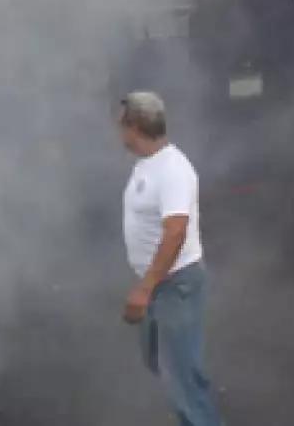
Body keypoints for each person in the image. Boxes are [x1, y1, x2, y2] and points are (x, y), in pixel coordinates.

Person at [117, 91, 223, 426]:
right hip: (160, 282)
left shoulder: (173, 169)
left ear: (134, 126)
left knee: (183, 379)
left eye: (121, 122)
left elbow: (175, 232)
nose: (117, 129)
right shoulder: (149, 164)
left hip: (176, 285)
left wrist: (145, 288)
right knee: (158, 360)